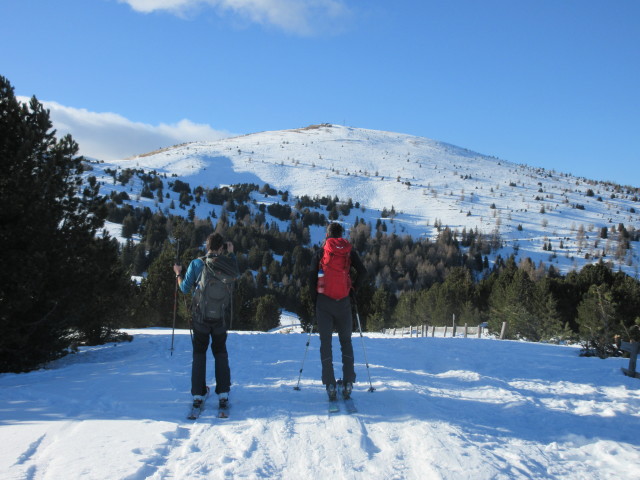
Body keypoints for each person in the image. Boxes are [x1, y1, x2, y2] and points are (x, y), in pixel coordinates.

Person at [174, 233, 239, 409]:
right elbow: (236, 272)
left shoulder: (197, 263)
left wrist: (178, 274)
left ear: (207, 246)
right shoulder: (227, 264)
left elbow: (184, 288)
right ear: (221, 248)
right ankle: (223, 393)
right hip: (220, 317)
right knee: (220, 352)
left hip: (200, 317)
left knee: (199, 353)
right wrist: (231, 253)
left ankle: (198, 393)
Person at [310, 222, 367, 400]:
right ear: (341, 235)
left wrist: (315, 300)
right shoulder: (349, 252)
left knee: (325, 343)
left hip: (324, 302)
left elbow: (311, 278)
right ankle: (349, 382)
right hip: (343, 301)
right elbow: (363, 272)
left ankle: (330, 384)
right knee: (346, 342)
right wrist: (353, 290)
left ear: (327, 235)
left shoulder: (321, 252)